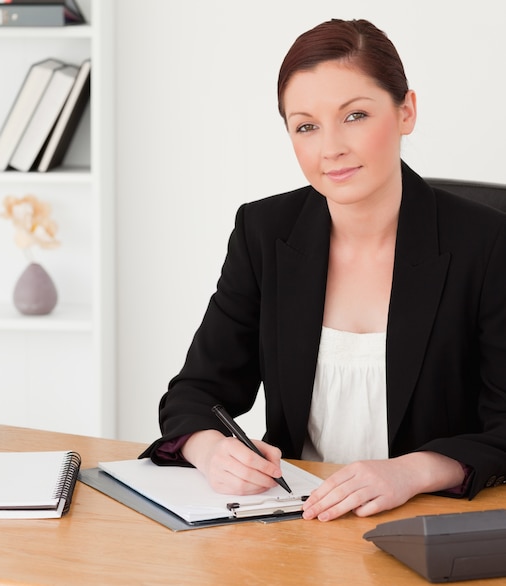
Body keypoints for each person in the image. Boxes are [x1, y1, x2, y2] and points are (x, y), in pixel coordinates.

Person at [139, 18, 506, 521]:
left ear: (406, 112)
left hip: (430, 521)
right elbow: (197, 391)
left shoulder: (486, 244)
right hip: (297, 519)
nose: (330, 147)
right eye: (306, 126)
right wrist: (209, 449)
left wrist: (414, 470)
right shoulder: (264, 232)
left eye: (354, 115)